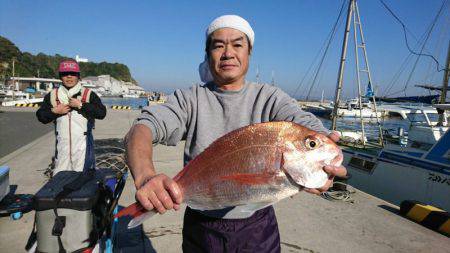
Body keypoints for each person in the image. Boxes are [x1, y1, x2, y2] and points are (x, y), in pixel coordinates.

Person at [125, 15, 347, 252]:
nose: (228, 53)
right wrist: (146, 177)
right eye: (218, 45)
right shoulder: (190, 99)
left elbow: (306, 126)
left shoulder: (270, 98)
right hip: (202, 226)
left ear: (249, 52)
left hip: (258, 228)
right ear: (207, 53)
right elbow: (142, 128)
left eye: (237, 45)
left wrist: (325, 155)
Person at [36, 59, 106, 175]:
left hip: (83, 149)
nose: (69, 77)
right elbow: (41, 116)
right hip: (62, 149)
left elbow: (101, 113)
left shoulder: (88, 94)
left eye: (72, 74)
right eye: (65, 74)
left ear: (78, 76)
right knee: (60, 180)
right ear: (60, 77)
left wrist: (81, 105)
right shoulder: (52, 95)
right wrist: (54, 111)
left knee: (82, 182)